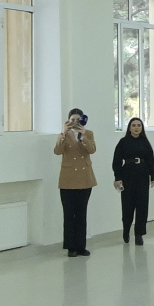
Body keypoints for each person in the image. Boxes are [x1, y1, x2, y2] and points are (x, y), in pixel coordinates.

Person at [54, 109, 97, 255]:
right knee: (69, 214)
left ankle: (81, 246)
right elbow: (58, 151)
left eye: (78, 120)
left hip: (85, 178)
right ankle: (71, 247)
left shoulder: (88, 133)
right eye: (72, 119)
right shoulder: (63, 135)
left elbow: (92, 150)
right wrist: (63, 134)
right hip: (68, 179)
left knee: (81, 213)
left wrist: (83, 136)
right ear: (68, 120)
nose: (75, 122)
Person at [112, 116, 154, 245]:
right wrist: (118, 177)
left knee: (142, 205)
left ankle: (139, 234)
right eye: (133, 125)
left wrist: (152, 176)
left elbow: (150, 160)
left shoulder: (145, 142)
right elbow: (117, 161)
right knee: (128, 205)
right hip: (128, 175)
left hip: (142, 175)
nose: (136, 128)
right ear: (129, 128)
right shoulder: (123, 142)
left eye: (139, 125)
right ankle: (126, 230)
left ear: (142, 128)